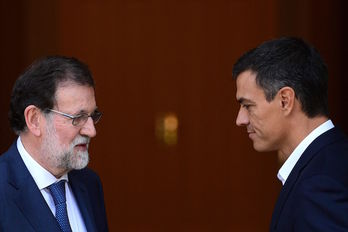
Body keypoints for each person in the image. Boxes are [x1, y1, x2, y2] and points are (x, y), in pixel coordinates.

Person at [233, 37, 348, 231]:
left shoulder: (317, 187)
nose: (240, 119)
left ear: (285, 100)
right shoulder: (335, 157)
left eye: (248, 106)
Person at [0, 56, 108, 231]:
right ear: (34, 120)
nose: (91, 131)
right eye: (78, 118)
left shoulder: (89, 184)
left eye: (92, 116)